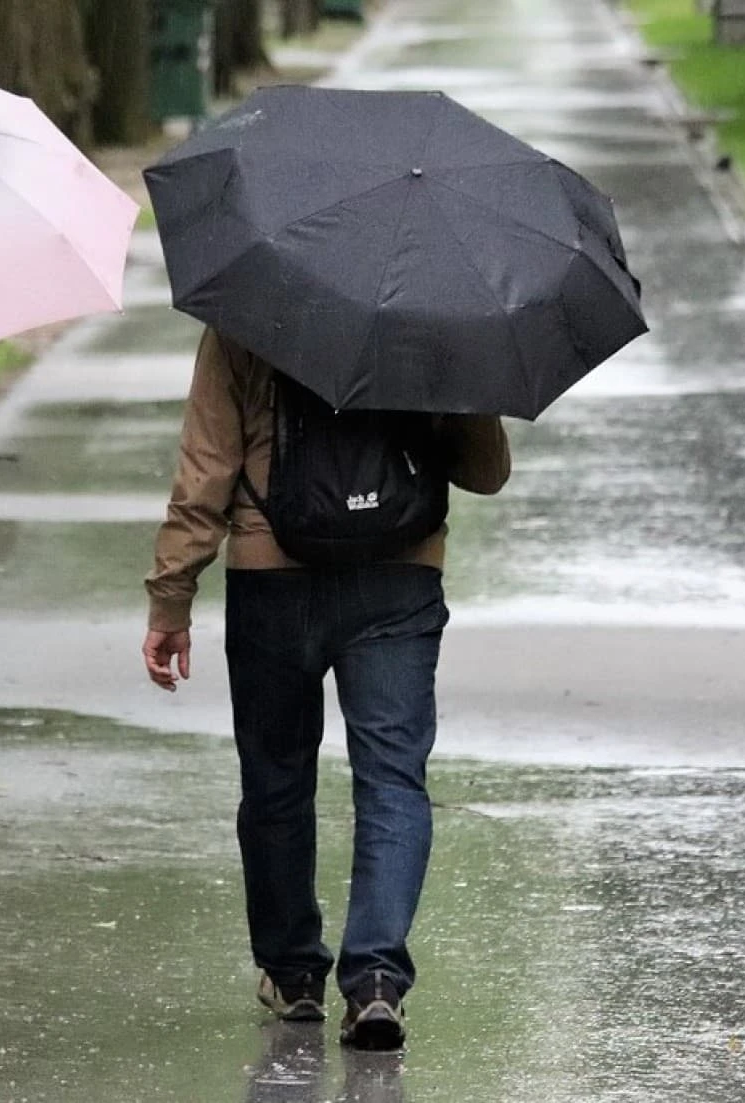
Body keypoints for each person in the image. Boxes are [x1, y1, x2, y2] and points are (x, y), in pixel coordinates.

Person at [142, 329, 510, 1050]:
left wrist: (171, 595)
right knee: (393, 781)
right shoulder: (434, 312)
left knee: (276, 779)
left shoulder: (245, 313)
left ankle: (294, 973)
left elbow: (206, 468)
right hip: (399, 574)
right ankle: (375, 978)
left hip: (270, 573)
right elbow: (486, 470)